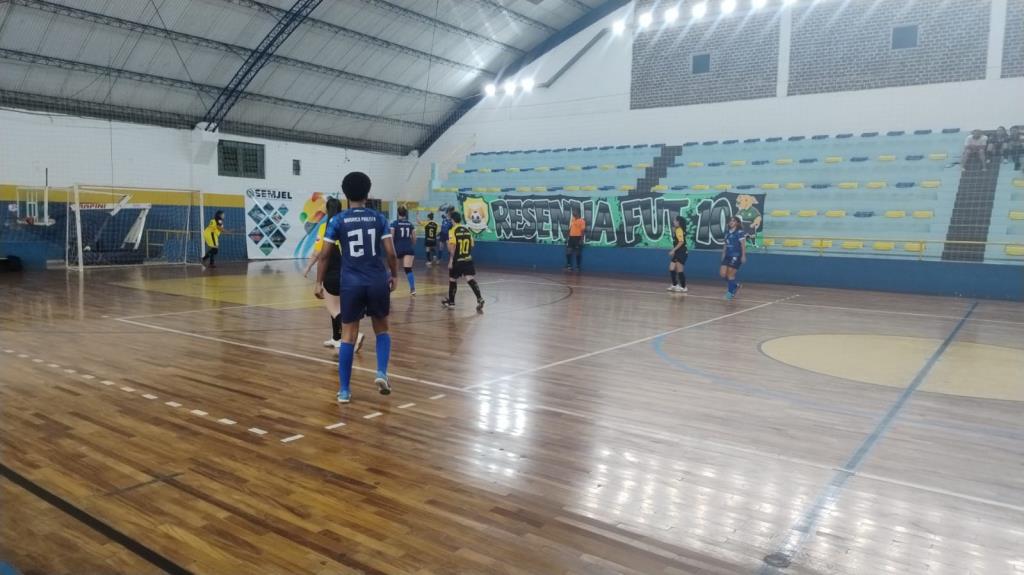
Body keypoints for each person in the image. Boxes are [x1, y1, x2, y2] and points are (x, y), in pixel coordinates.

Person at [314, 172, 398, 403]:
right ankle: (381, 372)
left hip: (351, 284)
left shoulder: (338, 220)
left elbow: (324, 255)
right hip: (377, 280)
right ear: (367, 194)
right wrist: (395, 275)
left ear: (345, 194)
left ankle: (344, 391)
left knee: (349, 337)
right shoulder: (379, 218)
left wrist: (318, 282)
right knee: (382, 329)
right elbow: (390, 253)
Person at [303, 197, 364, 352]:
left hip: (332, 270)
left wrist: (309, 266)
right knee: (339, 305)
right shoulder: (348, 225)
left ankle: (354, 335)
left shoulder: (326, 227)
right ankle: (336, 338)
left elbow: (319, 252)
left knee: (334, 308)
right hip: (350, 270)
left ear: (327, 210)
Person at [442, 212, 485, 311]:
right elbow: (472, 245)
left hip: (458, 260)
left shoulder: (452, 231)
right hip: (468, 259)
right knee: (470, 279)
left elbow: (452, 248)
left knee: (452, 279)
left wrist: (451, 260)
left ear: (452, 220)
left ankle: (452, 302)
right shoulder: (467, 230)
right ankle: (479, 298)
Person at [720, 215, 746, 300]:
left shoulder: (739, 232)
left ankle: (730, 294)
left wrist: (743, 255)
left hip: (736, 256)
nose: (731, 222)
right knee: (723, 274)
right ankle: (735, 286)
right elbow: (725, 244)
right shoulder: (727, 233)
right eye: (730, 221)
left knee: (730, 274)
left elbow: (743, 245)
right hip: (727, 255)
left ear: (737, 223)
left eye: (733, 221)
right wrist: (723, 254)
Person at [391, 206, 416, 295]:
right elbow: (414, 238)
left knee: (394, 270)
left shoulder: (394, 223)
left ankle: (390, 289)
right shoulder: (410, 224)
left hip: (397, 248)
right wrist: (410, 245)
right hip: (408, 248)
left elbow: (391, 236)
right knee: (408, 269)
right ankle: (412, 289)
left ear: (398, 213)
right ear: (406, 213)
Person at [667, 215, 688, 293]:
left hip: (682, 252)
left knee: (679, 270)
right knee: (671, 268)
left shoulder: (679, 229)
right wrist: (674, 251)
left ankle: (683, 287)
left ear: (678, 222)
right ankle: (675, 285)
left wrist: (673, 250)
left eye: (675, 221)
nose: (673, 222)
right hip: (678, 252)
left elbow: (681, 242)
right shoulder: (677, 229)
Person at [565, 207, 585, 272]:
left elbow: (582, 231)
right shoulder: (572, 219)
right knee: (568, 251)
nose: (573, 213)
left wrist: (581, 240)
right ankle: (569, 266)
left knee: (578, 253)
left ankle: (578, 267)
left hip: (578, 237)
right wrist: (567, 237)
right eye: (573, 211)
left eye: (574, 211)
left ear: (578, 212)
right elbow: (570, 228)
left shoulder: (582, 221)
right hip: (571, 238)